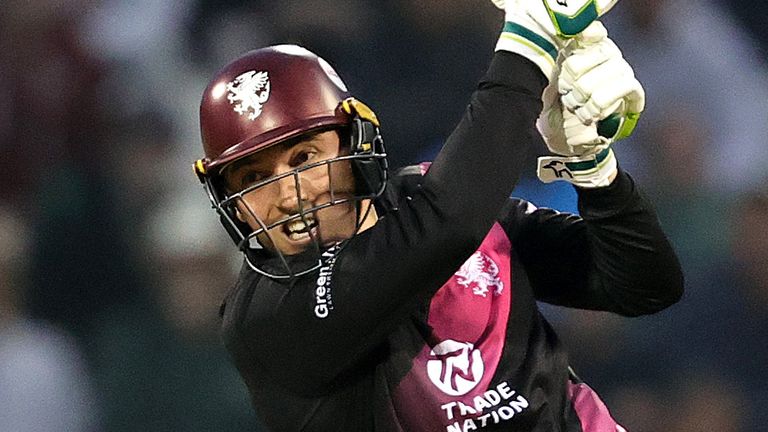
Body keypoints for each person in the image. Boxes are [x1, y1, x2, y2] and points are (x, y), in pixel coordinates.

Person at [193, 1, 683, 430]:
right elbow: (443, 226)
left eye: (304, 159)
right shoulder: (263, 319)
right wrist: (530, 40)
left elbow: (644, 284)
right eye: (253, 178)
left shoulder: (432, 200)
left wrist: (595, 171)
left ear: (356, 143)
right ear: (230, 201)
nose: (286, 194)